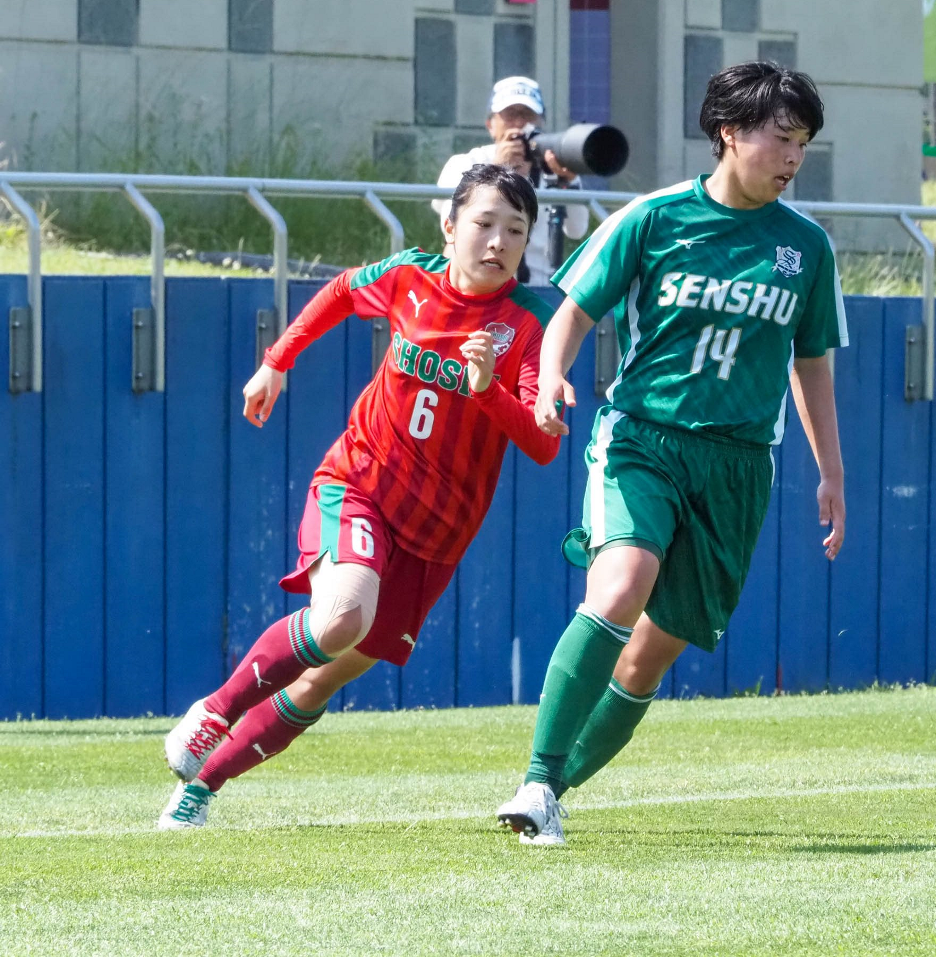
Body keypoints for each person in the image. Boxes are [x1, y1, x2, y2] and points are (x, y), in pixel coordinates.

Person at [494, 62, 848, 845]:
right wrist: (549, 377)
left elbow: (812, 361)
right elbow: (573, 312)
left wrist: (831, 472)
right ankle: (536, 779)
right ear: (730, 133)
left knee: (646, 661)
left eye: (803, 145)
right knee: (622, 585)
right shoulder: (654, 218)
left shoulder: (805, 249)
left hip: (738, 467)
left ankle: (552, 793)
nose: (793, 158)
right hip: (642, 438)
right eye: (782, 139)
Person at [157, 164, 559, 829]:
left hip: (438, 536)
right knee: (341, 615)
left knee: (323, 677)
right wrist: (276, 361)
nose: (498, 241)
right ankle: (214, 710)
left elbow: (543, 446)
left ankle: (201, 789)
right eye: (485, 223)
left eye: (515, 230)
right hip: (362, 483)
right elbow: (343, 292)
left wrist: (488, 386)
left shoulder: (531, 321)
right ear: (451, 224)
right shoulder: (410, 276)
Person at [432, 76, 589, 285]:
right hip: (482, 288)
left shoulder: (552, 167)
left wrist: (569, 180)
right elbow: (452, 228)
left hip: (539, 288)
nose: (519, 123)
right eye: (510, 114)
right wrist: (497, 168)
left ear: (541, 122)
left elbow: (577, 230)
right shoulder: (466, 163)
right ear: (490, 125)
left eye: (527, 114)